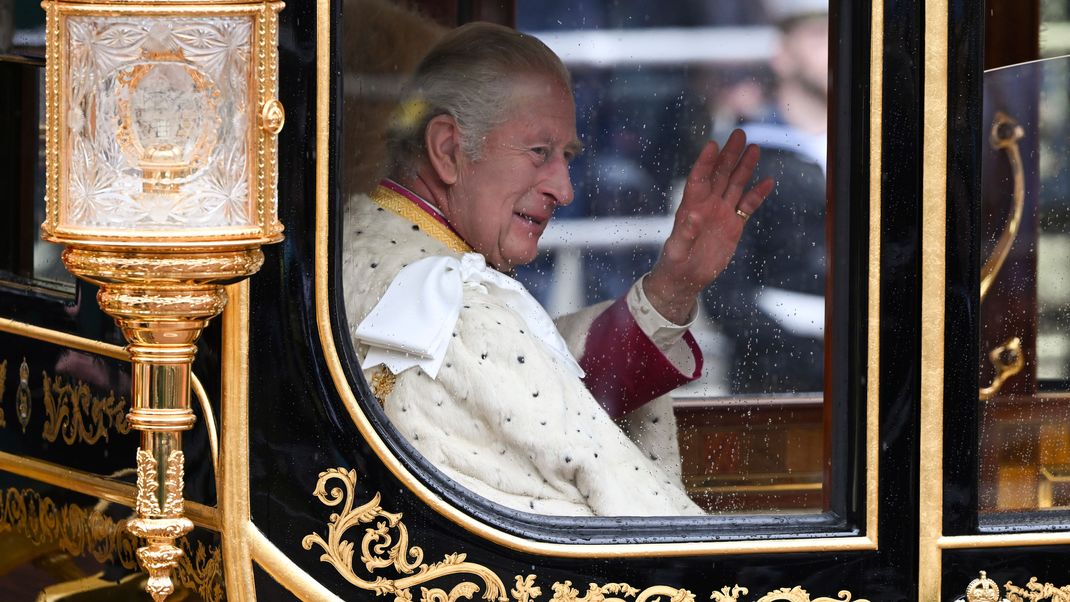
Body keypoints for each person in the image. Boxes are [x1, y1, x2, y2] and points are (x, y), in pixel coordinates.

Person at [343, 22, 772, 516]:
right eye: (539, 152)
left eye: (566, 157)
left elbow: (537, 385)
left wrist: (672, 290)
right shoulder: (458, 309)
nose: (564, 191)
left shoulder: (370, 237)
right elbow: (640, 517)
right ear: (447, 149)